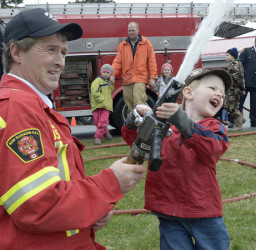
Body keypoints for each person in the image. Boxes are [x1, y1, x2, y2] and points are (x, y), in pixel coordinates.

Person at [0, 8, 146, 249]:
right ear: (16, 52)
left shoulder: (34, 106)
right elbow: (39, 205)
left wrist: (93, 209)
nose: (60, 61)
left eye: (64, 52)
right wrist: (110, 183)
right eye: (50, 50)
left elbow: (57, 187)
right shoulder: (17, 108)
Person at [126, 68, 231, 249]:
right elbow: (137, 142)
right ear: (188, 92)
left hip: (204, 213)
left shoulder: (214, 127)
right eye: (213, 88)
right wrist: (134, 119)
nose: (219, 95)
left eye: (222, 93)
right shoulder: (163, 127)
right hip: (169, 214)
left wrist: (183, 122)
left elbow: (212, 149)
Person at [111, 22, 157, 113]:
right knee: (129, 103)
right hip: (127, 78)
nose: (131, 32)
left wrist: (152, 78)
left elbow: (152, 62)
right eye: (129, 31)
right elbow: (117, 61)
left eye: (133, 30)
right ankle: (134, 124)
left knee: (138, 100)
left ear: (138, 30)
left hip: (140, 78)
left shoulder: (146, 44)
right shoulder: (123, 45)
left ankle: (141, 124)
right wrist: (112, 74)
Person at [90, 64, 115, 145]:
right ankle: (107, 134)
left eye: (107, 73)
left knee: (102, 122)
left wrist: (111, 84)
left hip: (105, 107)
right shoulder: (98, 81)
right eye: (104, 72)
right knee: (97, 122)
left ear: (110, 74)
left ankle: (98, 137)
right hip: (98, 105)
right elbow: (94, 91)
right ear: (101, 72)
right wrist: (102, 100)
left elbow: (109, 92)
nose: (105, 74)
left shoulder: (107, 82)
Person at [225, 47, 245, 131]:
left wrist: (242, 89)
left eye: (227, 55)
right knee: (227, 106)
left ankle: (238, 125)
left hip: (234, 90)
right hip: (231, 89)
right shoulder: (234, 64)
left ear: (232, 56)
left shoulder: (235, 64)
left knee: (233, 107)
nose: (226, 57)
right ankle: (241, 119)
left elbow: (238, 78)